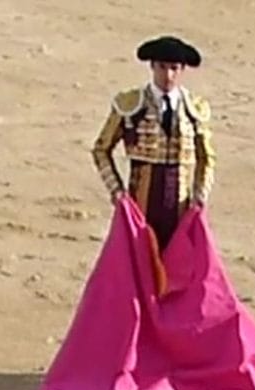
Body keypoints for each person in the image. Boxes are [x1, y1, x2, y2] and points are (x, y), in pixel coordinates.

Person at [91, 35, 213, 249]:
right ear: (152, 67)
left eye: (174, 68)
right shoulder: (131, 104)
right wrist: (117, 191)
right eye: (162, 67)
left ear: (182, 69)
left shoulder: (194, 108)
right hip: (141, 201)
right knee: (138, 261)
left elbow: (206, 157)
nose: (168, 75)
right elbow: (101, 149)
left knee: (177, 266)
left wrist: (199, 195)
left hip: (180, 203)